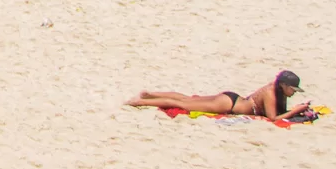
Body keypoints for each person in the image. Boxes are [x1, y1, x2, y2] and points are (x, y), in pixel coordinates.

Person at [127, 71, 312, 120]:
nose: (292, 93)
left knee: (188, 99)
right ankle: (140, 101)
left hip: (231, 98)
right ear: (284, 85)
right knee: (186, 105)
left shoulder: (274, 88)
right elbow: (273, 118)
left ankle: (151, 94)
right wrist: (296, 110)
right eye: (292, 90)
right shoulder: (271, 94)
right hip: (228, 106)